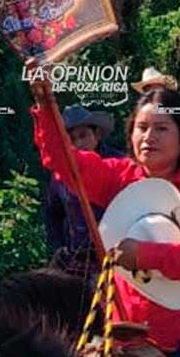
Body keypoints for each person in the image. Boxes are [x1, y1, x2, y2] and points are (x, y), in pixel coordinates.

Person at [28, 65, 180, 357]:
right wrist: (44, 102)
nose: (148, 137)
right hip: (124, 333)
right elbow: (64, 161)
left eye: (161, 128)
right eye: (141, 127)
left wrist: (143, 255)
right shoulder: (119, 177)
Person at [42, 105, 124, 274]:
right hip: (75, 259)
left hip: (116, 256)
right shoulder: (61, 173)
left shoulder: (121, 166)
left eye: (83, 135)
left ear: (97, 135)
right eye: (71, 139)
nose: (78, 143)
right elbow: (53, 213)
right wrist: (58, 247)